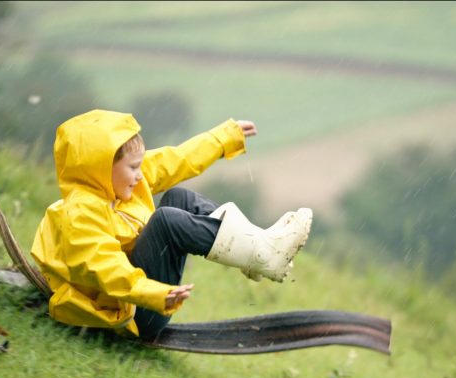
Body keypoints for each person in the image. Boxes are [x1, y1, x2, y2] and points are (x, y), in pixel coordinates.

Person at [30, 110, 312, 340]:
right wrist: (153, 294)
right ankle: (261, 253)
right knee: (165, 221)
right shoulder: (81, 213)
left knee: (179, 197)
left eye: (140, 166)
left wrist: (224, 138)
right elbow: (102, 269)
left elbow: (176, 160)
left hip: (144, 297)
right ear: (100, 169)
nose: (140, 176)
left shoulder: (122, 183)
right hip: (129, 312)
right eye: (133, 168)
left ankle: (258, 251)